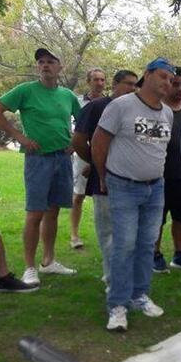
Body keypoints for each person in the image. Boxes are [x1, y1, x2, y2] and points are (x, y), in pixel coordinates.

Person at [91, 57, 175, 332]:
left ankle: (139, 294)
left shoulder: (167, 113)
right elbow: (99, 143)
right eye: (163, 76)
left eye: (171, 79)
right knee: (124, 245)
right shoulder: (121, 105)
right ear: (147, 75)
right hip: (123, 185)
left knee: (146, 244)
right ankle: (117, 305)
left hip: (155, 187)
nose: (168, 83)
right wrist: (103, 176)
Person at [0, 47, 80, 286]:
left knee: (53, 211)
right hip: (38, 159)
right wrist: (18, 136)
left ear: (59, 67)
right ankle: (29, 267)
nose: (45, 65)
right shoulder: (25, 91)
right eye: (41, 62)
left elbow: (83, 119)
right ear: (37, 67)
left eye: (50, 62)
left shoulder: (67, 95)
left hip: (63, 159)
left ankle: (49, 261)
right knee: (35, 213)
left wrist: (75, 142)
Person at [71, 69, 139, 287]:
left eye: (135, 85)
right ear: (115, 84)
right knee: (108, 231)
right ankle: (112, 278)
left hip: (131, 179)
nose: (132, 89)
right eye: (128, 84)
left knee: (129, 231)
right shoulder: (96, 107)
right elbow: (79, 140)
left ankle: (124, 274)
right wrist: (94, 162)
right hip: (104, 179)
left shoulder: (135, 110)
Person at [153, 67, 181, 272]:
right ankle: (154, 254)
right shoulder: (156, 110)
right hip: (159, 176)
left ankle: (180, 255)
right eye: (175, 83)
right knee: (157, 220)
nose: (179, 88)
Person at [70, 67, 108, 249]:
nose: (99, 83)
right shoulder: (78, 103)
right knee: (78, 195)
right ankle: (74, 235)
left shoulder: (111, 104)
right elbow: (74, 130)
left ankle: (105, 235)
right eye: (96, 80)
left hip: (103, 156)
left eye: (102, 80)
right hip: (82, 154)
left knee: (101, 197)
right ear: (88, 81)